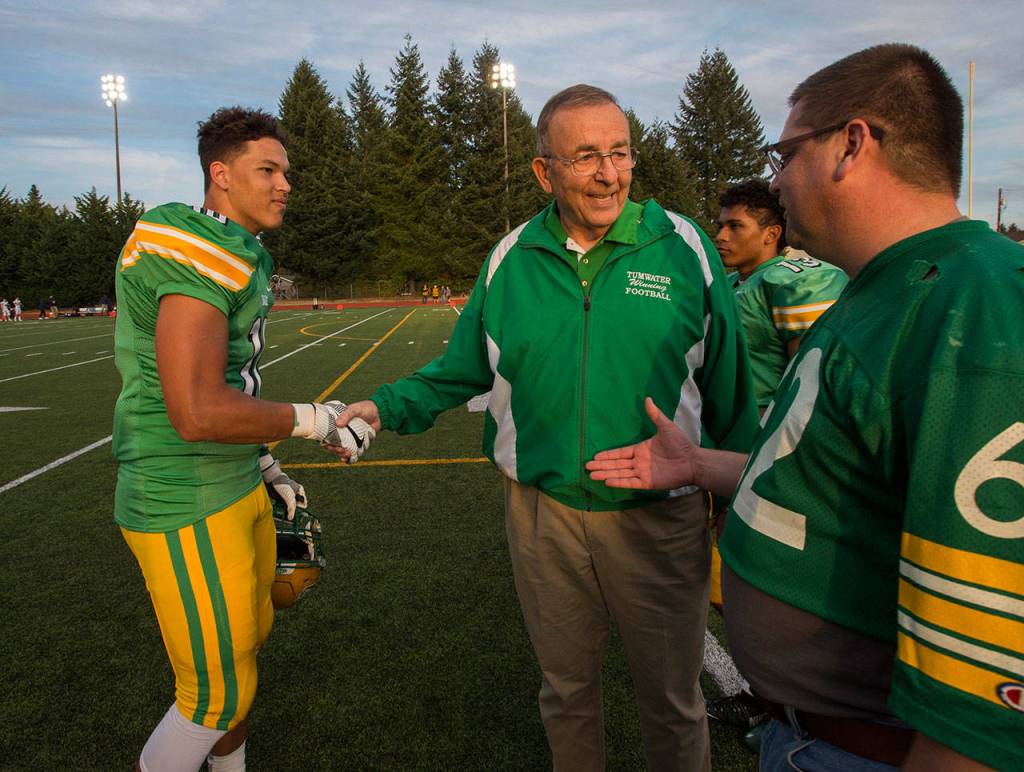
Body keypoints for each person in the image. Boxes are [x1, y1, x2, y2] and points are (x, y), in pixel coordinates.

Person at [587, 43, 1023, 771]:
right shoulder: (886, 287)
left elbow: (992, 671)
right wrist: (699, 462)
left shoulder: (977, 313)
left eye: (785, 151)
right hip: (814, 736)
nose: (776, 178)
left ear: (852, 144)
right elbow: (834, 480)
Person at [335, 84, 759, 771]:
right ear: (545, 172)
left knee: (672, 702)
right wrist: (384, 406)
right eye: (586, 156)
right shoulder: (511, 258)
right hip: (543, 516)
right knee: (566, 693)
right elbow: (459, 368)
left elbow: (732, 388)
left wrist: (730, 496)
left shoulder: (683, 248)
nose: (608, 173)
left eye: (619, 153)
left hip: (661, 517)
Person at [112, 106, 373, 772]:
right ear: (220, 174)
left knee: (245, 651)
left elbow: (229, 381)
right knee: (214, 696)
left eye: (287, 170)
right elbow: (197, 410)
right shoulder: (192, 246)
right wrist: (315, 419)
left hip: (229, 479)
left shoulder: (240, 252)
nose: (285, 183)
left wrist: (264, 463)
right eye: (269, 169)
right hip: (184, 492)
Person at [705, 180, 847, 731]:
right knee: (731, 581)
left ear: (772, 232)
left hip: (776, 456)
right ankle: (764, 688)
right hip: (735, 449)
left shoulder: (795, 278)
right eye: (719, 224)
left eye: (734, 226)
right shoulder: (740, 280)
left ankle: (789, 696)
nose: (720, 235)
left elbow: (814, 379)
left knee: (774, 584)